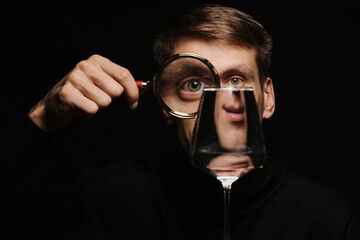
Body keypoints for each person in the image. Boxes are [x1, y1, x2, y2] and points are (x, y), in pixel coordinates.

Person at [1, 4, 359, 240]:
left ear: (268, 99)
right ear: (164, 104)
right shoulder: (102, 199)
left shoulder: (333, 221)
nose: (219, 104)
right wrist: (42, 119)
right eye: (193, 84)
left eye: (236, 82)